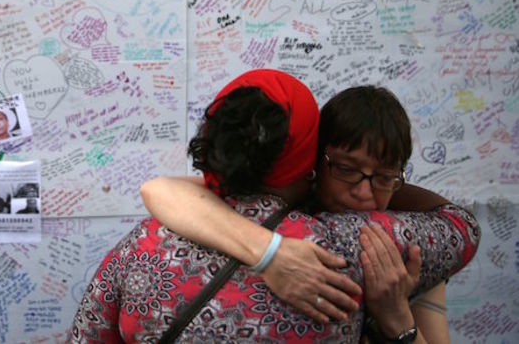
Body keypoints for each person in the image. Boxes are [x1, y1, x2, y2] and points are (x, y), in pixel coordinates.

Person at [70, 70, 479, 342]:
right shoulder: (354, 247)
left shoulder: (145, 240)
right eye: (347, 169)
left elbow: (86, 335)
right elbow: (461, 225)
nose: (364, 193)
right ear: (311, 160)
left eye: (383, 176)